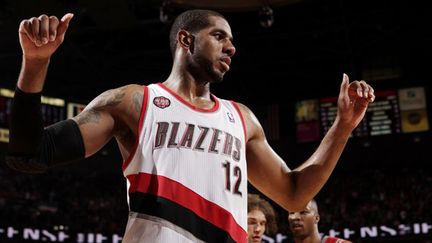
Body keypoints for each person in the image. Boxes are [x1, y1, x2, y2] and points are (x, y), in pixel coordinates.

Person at [6, 9, 375, 243]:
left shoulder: (241, 118)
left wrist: (343, 126)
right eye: (219, 36)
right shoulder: (133, 103)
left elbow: (294, 193)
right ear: (186, 39)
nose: (231, 48)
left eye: (232, 42)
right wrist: (35, 64)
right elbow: (30, 154)